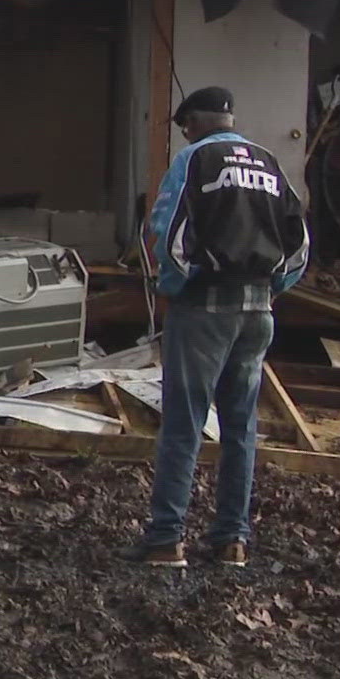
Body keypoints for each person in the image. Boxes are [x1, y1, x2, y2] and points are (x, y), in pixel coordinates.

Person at [123, 86, 310, 568]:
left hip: (204, 309)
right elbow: (300, 243)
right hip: (258, 312)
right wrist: (271, 290)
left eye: (184, 127)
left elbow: (168, 234)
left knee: (184, 424)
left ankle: (166, 540)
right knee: (240, 427)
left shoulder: (194, 160)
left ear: (195, 123)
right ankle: (232, 540)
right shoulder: (269, 162)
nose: (184, 134)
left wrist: (173, 287)